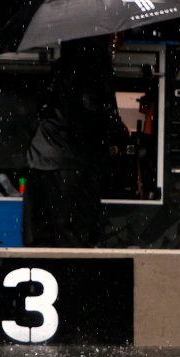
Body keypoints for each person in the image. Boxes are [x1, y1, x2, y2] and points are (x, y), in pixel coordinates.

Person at [23, 35, 130, 247]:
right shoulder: (95, 62)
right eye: (119, 34)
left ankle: (39, 280)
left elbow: (43, 112)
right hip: (71, 164)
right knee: (75, 244)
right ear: (104, 34)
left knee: (40, 243)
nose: (121, 42)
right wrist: (120, 133)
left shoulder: (62, 64)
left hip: (39, 161)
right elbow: (93, 108)